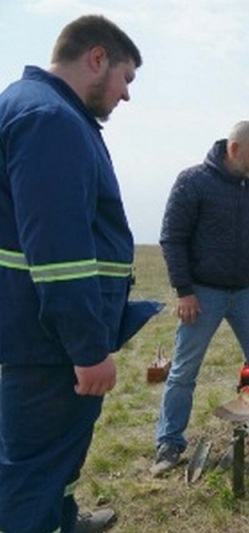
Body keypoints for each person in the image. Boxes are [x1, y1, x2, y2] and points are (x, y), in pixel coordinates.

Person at [0, 15, 160, 533]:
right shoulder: (50, 119)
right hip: (48, 343)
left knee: (57, 454)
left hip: (40, 333)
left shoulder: (36, 108)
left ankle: (63, 518)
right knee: (32, 468)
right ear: (96, 59)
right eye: (126, 78)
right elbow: (59, 254)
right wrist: (88, 350)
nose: (126, 96)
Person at [152, 120, 249, 476]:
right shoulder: (193, 182)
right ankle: (169, 443)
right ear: (234, 149)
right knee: (183, 371)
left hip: (244, 293)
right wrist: (184, 291)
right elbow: (172, 239)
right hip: (201, 295)